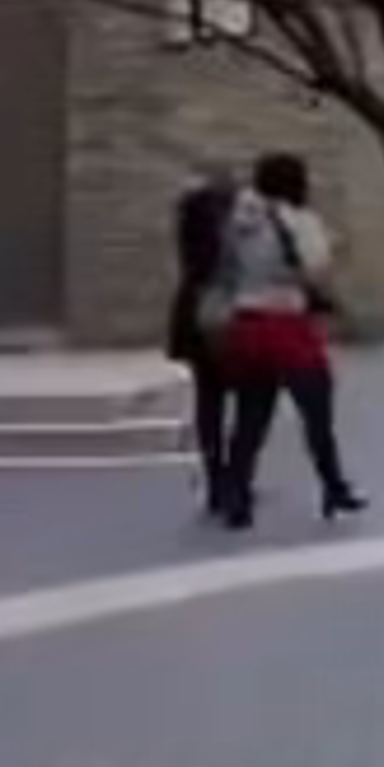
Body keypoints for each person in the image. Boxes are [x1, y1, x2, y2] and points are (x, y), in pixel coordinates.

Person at [207, 147, 364, 527]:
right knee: (316, 411)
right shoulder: (299, 220)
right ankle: (333, 486)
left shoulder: (238, 220)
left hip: (247, 323)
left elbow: (225, 267)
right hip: (287, 325)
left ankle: (237, 496)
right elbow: (315, 268)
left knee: (250, 416)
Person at [163, 161, 236, 515]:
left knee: (209, 401)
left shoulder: (190, 214)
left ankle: (217, 479)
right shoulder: (230, 220)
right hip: (227, 316)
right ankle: (230, 478)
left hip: (197, 314)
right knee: (241, 400)